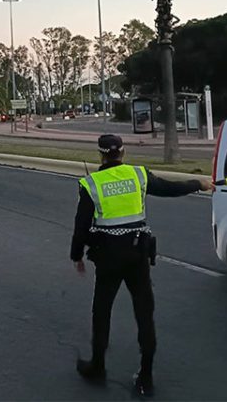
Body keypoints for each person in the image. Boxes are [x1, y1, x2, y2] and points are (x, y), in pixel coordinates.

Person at [71, 134, 212, 397]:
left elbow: (81, 228)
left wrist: (76, 255)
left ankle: (97, 366)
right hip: (137, 256)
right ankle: (146, 377)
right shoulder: (139, 175)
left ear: (101, 155)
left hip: (108, 259)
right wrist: (199, 183)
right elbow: (169, 188)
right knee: (144, 314)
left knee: (102, 311)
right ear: (122, 153)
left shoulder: (91, 183)